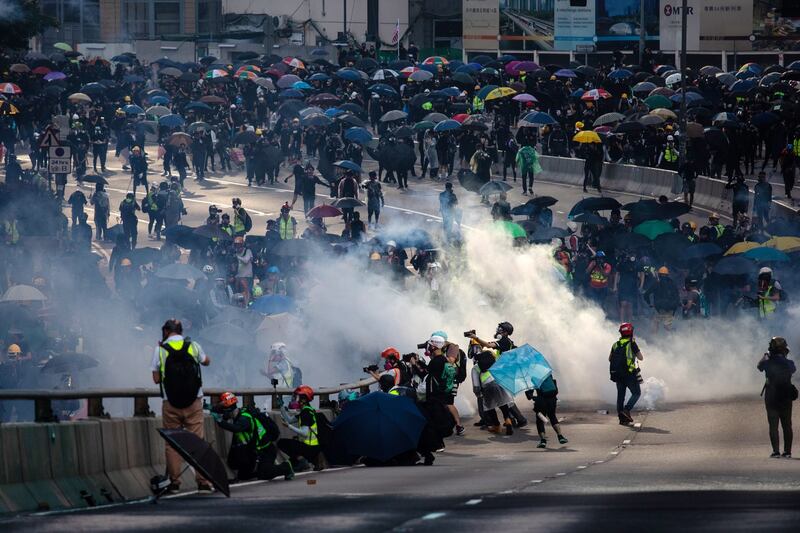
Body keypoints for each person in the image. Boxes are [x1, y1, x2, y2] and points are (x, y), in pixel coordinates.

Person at [150, 319, 212, 493]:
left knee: (172, 443)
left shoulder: (160, 349)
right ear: (180, 331)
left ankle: (175, 482)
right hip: (194, 401)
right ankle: (203, 482)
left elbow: (155, 379)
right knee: (197, 442)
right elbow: (207, 361)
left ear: (166, 332)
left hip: (170, 403)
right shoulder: (193, 345)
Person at [212, 392, 294, 481]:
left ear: (229, 410)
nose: (223, 414)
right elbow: (220, 411)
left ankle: (286, 467)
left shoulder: (244, 418)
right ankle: (259, 471)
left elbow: (236, 428)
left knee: (265, 474)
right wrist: (212, 409)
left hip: (266, 450)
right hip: (253, 451)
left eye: (223, 411)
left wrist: (220, 421)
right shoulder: (237, 415)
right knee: (243, 476)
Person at [757, 337, 795, 458]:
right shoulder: (788, 363)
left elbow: (759, 366)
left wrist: (767, 355)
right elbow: (792, 369)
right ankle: (787, 452)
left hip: (772, 397)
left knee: (773, 426)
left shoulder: (768, 361)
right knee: (787, 425)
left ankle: (776, 452)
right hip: (785, 397)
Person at [424, 331, 464, 436]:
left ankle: (458, 425)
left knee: (449, 402)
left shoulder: (453, 347)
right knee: (445, 403)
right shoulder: (442, 350)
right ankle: (450, 423)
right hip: (443, 377)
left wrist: (438, 353)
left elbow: (450, 360)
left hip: (451, 378)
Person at [278, 385, 324, 471]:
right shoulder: (308, 410)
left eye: (297, 397)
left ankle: (302, 461)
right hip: (313, 447)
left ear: (303, 399)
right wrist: (281, 407)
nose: (295, 399)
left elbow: (304, 433)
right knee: (291, 445)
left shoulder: (305, 413)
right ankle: (303, 461)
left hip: (309, 447)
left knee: (281, 443)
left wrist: (289, 427)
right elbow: (289, 419)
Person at [608, 322, 643, 425]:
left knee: (620, 396)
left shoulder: (615, 344)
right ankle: (626, 410)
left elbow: (610, 359)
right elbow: (641, 358)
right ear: (631, 331)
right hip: (629, 374)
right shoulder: (632, 343)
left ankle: (622, 419)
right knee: (636, 393)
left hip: (617, 374)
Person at [532, 373, 568, 449]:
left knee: (540, 420)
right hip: (552, 398)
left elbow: (529, 396)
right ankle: (560, 436)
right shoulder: (547, 372)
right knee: (552, 416)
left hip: (541, 400)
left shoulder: (531, 376)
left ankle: (543, 441)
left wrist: (532, 397)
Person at [644, 266, 680, 332]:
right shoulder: (672, 283)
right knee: (667, 326)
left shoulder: (656, 283)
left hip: (660, 308)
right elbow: (677, 297)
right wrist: (674, 308)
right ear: (667, 275)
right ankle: (676, 337)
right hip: (670, 308)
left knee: (655, 322)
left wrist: (649, 304)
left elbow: (646, 294)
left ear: (659, 275)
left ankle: (654, 339)